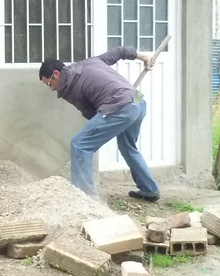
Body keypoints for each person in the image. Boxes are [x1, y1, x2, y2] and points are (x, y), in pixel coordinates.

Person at [39, 46, 160, 202]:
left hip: (120, 106)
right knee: (127, 146)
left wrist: (100, 125)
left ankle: (85, 198)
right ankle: (149, 189)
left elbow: (91, 113)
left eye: (49, 84)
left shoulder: (69, 86)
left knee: (80, 144)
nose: (51, 89)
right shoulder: (91, 62)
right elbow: (119, 52)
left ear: (56, 74)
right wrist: (144, 57)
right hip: (137, 101)